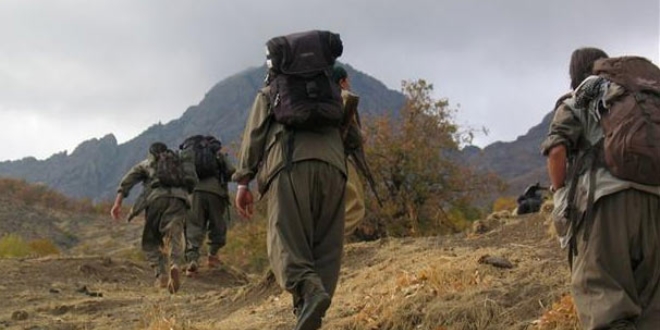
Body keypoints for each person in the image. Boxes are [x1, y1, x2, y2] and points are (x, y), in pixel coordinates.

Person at [234, 31, 346, 330]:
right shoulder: (332, 89)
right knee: (326, 248)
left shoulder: (271, 91)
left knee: (285, 241)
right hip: (335, 170)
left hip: (290, 165)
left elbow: (254, 135)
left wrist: (243, 182)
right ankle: (310, 315)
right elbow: (353, 134)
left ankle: (308, 293)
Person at [541, 47, 660, 329]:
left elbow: (557, 150)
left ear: (574, 74)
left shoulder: (584, 95)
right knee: (653, 307)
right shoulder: (640, 97)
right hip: (655, 202)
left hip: (605, 204)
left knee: (604, 301)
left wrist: (559, 193)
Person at [110, 142, 196, 294]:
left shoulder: (147, 163)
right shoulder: (178, 162)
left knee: (151, 240)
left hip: (156, 199)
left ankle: (161, 274)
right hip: (179, 199)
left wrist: (117, 203)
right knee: (175, 234)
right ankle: (175, 264)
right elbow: (192, 181)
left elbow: (127, 182)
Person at [180, 135, 235, 276]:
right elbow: (231, 171)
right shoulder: (216, 153)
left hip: (193, 193)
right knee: (217, 224)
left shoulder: (189, 154)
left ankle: (192, 260)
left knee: (193, 226)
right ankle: (213, 256)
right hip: (215, 192)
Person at [333, 66, 367, 236]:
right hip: (338, 158)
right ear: (342, 81)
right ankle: (328, 244)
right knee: (355, 206)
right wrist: (361, 135)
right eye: (347, 80)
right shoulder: (343, 99)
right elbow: (354, 138)